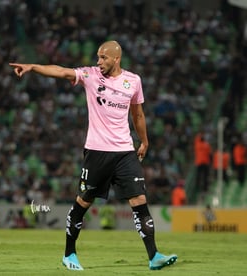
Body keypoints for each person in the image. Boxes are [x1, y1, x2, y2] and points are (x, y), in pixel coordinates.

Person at [9, 40, 177, 271]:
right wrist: (33, 67)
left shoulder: (133, 81)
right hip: (97, 152)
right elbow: (61, 71)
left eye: (103, 58)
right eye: (98, 57)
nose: (98, 62)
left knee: (139, 200)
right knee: (83, 202)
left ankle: (154, 256)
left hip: (125, 152)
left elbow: (138, 115)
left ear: (116, 59)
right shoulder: (90, 75)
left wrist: (144, 141)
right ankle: (69, 254)